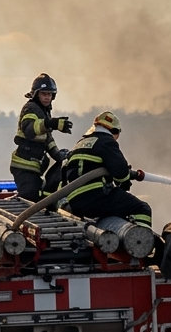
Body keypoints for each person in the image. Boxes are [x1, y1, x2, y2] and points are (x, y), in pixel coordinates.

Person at [62, 110, 151, 227]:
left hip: (75, 202)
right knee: (142, 208)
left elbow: (64, 170)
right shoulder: (106, 141)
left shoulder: (80, 143)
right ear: (114, 131)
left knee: (117, 209)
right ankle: (141, 241)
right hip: (97, 197)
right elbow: (121, 172)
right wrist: (124, 182)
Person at [9, 73, 72, 202]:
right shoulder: (31, 108)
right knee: (28, 200)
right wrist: (51, 123)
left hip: (34, 166)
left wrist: (58, 155)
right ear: (36, 94)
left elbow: (47, 139)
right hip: (24, 166)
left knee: (37, 198)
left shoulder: (44, 111)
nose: (47, 97)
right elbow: (29, 129)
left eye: (49, 94)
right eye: (44, 94)